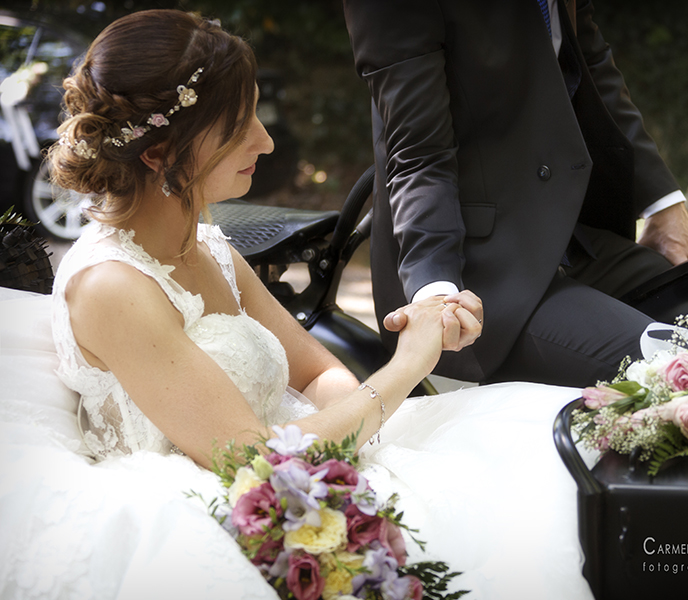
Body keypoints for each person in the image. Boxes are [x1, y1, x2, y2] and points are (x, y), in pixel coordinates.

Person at [0, 9, 598, 599]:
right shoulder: (113, 287)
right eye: (237, 125)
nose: (264, 139)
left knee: (530, 462)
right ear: (158, 153)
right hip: (219, 513)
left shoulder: (208, 246)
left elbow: (318, 371)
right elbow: (253, 460)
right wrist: (408, 366)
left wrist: (361, 430)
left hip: (308, 464)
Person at [342, 0, 688, 386]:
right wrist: (436, 295)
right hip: (478, 272)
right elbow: (418, 154)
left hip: (576, 240)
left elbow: (591, 63)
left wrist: (665, 207)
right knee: (679, 371)